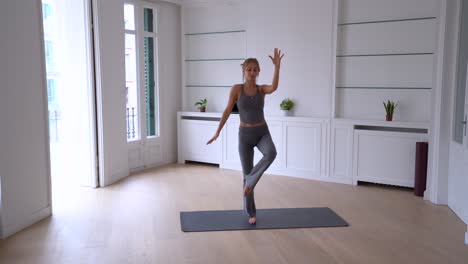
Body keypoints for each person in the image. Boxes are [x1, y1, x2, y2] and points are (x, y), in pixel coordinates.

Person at [207, 48, 284, 225]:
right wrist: (218, 131)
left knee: (271, 153)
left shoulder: (261, 89)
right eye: (249, 69)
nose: (252, 72)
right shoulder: (237, 89)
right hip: (245, 136)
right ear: (244, 71)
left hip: (262, 132)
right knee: (246, 173)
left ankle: (250, 180)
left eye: (255, 69)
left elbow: (274, 87)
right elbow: (227, 110)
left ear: (258, 72)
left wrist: (277, 68)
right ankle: (250, 212)